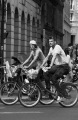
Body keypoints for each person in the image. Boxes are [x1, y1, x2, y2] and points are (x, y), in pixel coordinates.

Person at [37, 36, 70, 101]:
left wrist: (50, 66)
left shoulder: (57, 47)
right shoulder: (51, 49)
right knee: (46, 73)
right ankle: (48, 91)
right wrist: (41, 66)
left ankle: (61, 95)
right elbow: (47, 58)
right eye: (49, 41)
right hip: (58, 67)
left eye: (51, 41)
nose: (50, 43)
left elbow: (54, 57)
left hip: (64, 66)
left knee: (53, 78)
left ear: (55, 42)